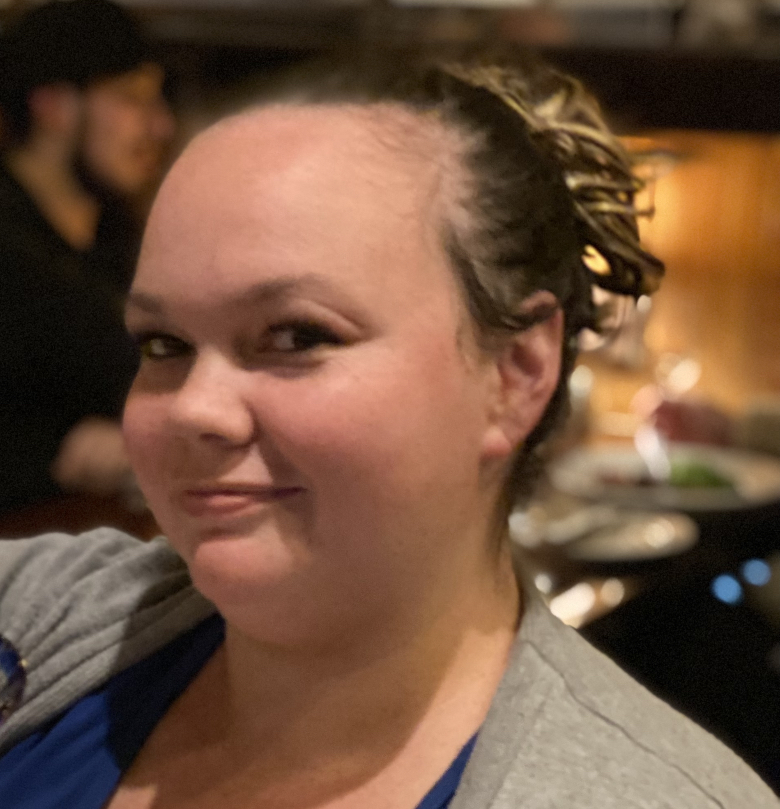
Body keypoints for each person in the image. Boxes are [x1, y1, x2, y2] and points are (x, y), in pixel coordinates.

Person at [0, 54, 777, 808]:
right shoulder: (42, 615)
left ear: (516, 374)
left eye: (297, 334)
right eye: (164, 344)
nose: (194, 409)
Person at [0, 0, 175, 514]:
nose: (160, 127)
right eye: (131, 98)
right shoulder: (15, 251)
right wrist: (47, 458)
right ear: (54, 106)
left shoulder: (119, 245)